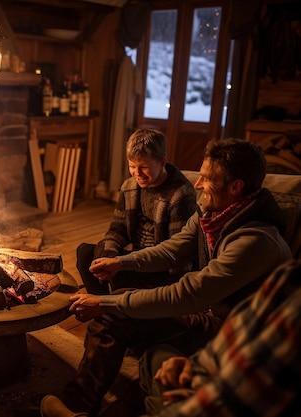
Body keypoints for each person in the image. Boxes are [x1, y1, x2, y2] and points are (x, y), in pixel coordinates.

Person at [40, 138, 292, 417]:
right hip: (206, 312)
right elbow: (172, 250)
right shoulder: (215, 215)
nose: (198, 185)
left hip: (230, 334)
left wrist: (107, 302)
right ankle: (80, 405)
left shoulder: (256, 241)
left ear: (236, 187)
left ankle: (77, 405)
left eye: (207, 179)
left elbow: (188, 293)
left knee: (113, 311)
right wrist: (121, 262)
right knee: (110, 298)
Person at [139, 259, 301, 416]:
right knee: (154, 355)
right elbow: (241, 330)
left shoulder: (255, 241)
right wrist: (194, 364)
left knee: (132, 320)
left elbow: (226, 403)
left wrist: (118, 302)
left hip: (215, 325)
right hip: (213, 368)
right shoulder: (289, 274)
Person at [76, 128, 197, 294]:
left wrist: (121, 262)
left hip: (159, 264)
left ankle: (115, 308)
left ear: (162, 162)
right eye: (132, 166)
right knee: (85, 254)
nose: (137, 173)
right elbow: (118, 229)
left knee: (119, 271)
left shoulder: (180, 195)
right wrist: (107, 255)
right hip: (133, 255)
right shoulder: (130, 187)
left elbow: (175, 253)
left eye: (144, 167)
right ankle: (101, 305)